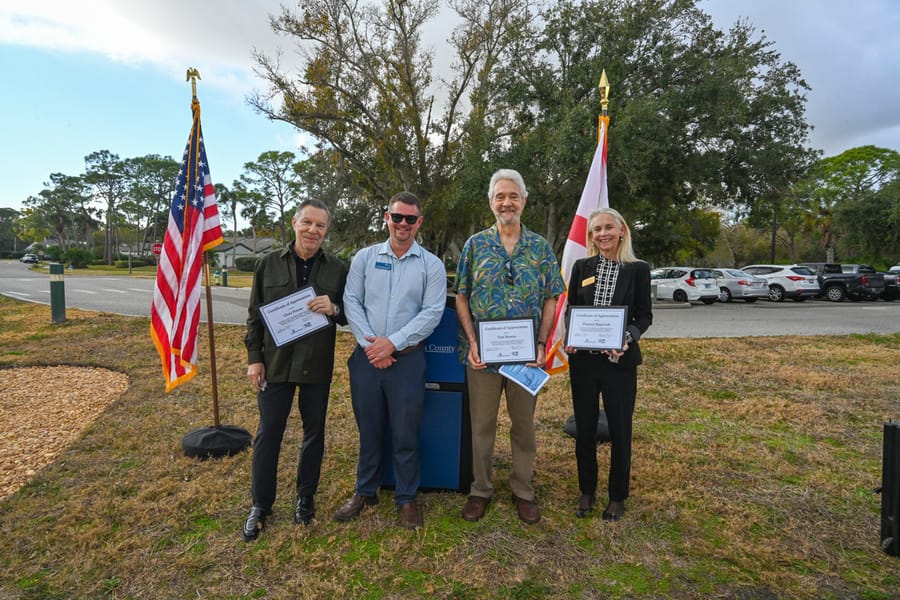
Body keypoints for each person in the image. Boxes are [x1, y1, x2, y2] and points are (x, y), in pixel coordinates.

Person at [454, 169, 566, 524]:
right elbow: (461, 296)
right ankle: (481, 489)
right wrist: (472, 341)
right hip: (483, 359)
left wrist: (540, 343)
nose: (507, 202)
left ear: (524, 201)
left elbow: (552, 297)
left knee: (524, 425)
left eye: (513, 196)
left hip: (526, 359)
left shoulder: (539, 247)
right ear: (491, 202)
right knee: (482, 426)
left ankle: (523, 490)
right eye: (500, 196)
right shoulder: (475, 245)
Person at [334, 191, 446, 529]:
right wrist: (372, 346)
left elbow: (432, 313)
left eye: (410, 219)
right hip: (366, 358)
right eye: (397, 217)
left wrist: (392, 344)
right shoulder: (365, 258)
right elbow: (351, 301)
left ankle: (406, 497)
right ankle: (365, 490)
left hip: (407, 362)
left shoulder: (431, 265)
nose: (403, 224)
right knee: (369, 429)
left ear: (419, 222)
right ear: (387, 217)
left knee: (405, 433)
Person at [241, 199, 348, 542]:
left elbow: (349, 313)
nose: (313, 230)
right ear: (295, 222)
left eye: (320, 226)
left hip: (316, 364)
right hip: (275, 363)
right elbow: (254, 316)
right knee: (268, 432)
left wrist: (334, 307)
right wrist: (254, 358)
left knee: (314, 432)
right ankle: (261, 504)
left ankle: (305, 497)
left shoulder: (337, 269)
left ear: (326, 231)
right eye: (307, 223)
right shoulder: (268, 264)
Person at [563, 207, 652, 521]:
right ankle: (587, 489)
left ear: (622, 230)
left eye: (608, 228)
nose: (602, 234)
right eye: (596, 229)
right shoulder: (582, 266)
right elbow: (572, 308)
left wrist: (627, 336)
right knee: (585, 427)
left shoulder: (638, 269)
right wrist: (570, 336)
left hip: (619, 363)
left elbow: (644, 315)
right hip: (583, 363)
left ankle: (617, 496)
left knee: (620, 428)